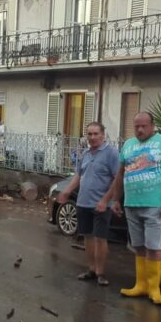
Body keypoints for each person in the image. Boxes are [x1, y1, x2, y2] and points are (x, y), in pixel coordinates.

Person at [108, 113, 161, 306]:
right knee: (139, 246)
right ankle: (140, 285)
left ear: (152, 126)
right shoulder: (128, 145)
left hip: (155, 205)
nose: (140, 130)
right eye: (137, 127)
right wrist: (116, 199)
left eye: (144, 126)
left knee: (153, 246)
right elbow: (120, 174)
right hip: (132, 204)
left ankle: (154, 288)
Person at [56, 122, 120, 287]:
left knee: (100, 239)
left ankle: (101, 273)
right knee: (88, 238)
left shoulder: (111, 153)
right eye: (89, 134)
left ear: (103, 135)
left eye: (95, 134)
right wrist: (67, 192)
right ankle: (91, 270)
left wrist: (106, 200)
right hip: (83, 203)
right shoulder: (85, 153)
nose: (92, 137)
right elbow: (79, 175)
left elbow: (117, 179)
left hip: (100, 205)